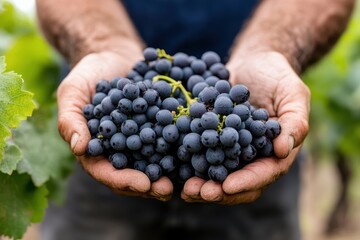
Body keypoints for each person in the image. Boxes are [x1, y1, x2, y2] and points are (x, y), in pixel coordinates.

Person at [36, 0, 355, 239]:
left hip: (249, 142)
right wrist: (104, 45)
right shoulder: (118, 118)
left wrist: (271, 49)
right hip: (99, 162)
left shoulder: (235, 125)